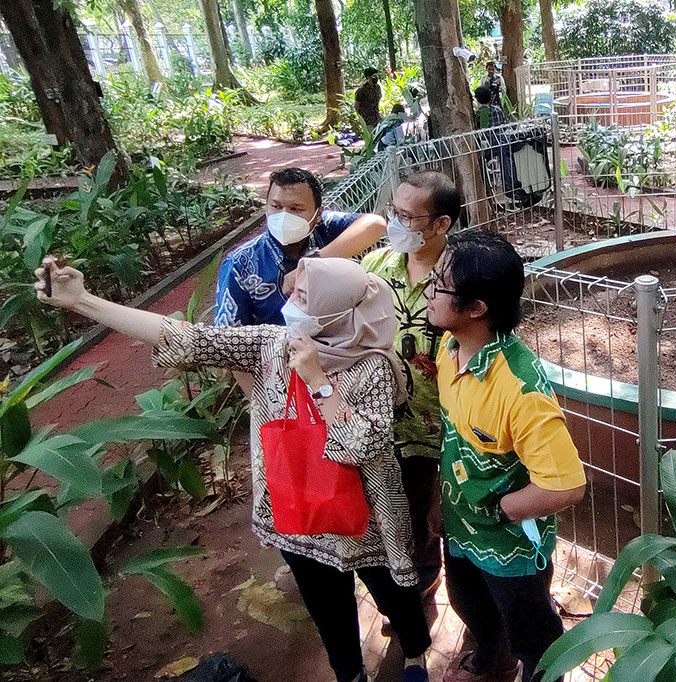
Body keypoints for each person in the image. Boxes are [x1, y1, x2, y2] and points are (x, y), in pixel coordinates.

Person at [35, 256, 431, 682]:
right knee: (326, 606)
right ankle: (350, 674)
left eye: (301, 296)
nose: (288, 301)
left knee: (395, 593)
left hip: (368, 519)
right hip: (296, 511)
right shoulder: (269, 345)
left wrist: (318, 380)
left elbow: (360, 446)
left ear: (334, 313)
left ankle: (413, 654)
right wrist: (83, 301)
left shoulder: (373, 367)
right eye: (292, 290)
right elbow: (187, 339)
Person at [425, 230, 587, 682]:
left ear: (476, 308)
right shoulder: (449, 349)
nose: (428, 292)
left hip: (508, 543)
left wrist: (502, 509)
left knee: (532, 631)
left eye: (440, 286)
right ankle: (493, 660)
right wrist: (444, 501)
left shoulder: (520, 388)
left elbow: (566, 484)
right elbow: (452, 437)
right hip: (460, 526)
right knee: (468, 603)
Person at [360, 171, 459, 601]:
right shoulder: (376, 266)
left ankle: (467, 598)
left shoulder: (460, 277)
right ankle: (420, 577)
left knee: (449, 512)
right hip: (386, 422)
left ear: (441, 224)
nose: (396, 224)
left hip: (445, 426)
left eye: (407, 216)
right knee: (405, 509)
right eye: (394, 213)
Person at [214, 167, 386, 329]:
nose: (283, 216)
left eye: (296, 209)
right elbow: (227, 335)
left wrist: (310, 265)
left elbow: (375, 224)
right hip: (275, 354)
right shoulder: (240, 264)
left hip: (336, 346)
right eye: (276, 206)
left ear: (317, 214)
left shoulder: (325, 228)